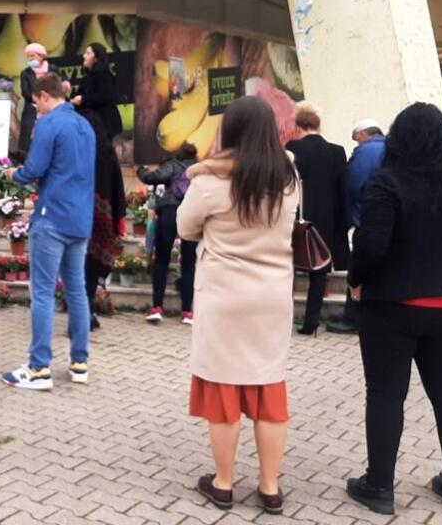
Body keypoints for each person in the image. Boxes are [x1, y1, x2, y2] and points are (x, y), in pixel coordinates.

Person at [344, 103, 442, 516]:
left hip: (394, 305)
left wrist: (355, 281)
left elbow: (370, 244)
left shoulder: (387, 183)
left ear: (398, 139)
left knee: (386, 394)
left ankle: (379, 486)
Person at [176, 96, 299, 515]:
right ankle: (270, 487)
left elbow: (185, 227)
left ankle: (224, 483)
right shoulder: (288, 178)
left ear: (228, 131)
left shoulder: (208, 180)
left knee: (224, 389)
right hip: (272, 297)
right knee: (268, 390)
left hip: (224, 297)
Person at [1, 72, 95, 391]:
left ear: (44, 96)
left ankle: (39, 368)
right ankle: (80, 363)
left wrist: (14, 174)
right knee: (76, 291)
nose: (35, 109)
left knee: (42, 292)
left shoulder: (49, 124)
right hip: (80, 219)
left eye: (35, 103)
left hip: (52, 216)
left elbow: (34, 169)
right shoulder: (85, 125)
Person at [284, 103, 351, 336]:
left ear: (298, 126)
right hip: (328, 220)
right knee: (319, 271)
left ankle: (285, 320)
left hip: (298, 216)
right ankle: (311, 323)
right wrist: (344, 221)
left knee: (290, 269)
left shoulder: (292, 148)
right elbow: (343, 189)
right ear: (318, 126)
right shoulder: (337, 151)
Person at [330, 119, 387, 335]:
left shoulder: (365, 152)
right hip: (387, 221)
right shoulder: (392, 147)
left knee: (359, 267)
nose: (357, 143)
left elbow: (353, 184)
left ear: (363, 134)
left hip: (366, 218)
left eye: (357, 139)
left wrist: (349, 214)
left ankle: (353, 318)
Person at [136, 144, 199, 325]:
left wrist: (141, 169)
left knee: (162, 260)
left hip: (169, 212)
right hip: (191, 214)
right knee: (189, 264)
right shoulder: (199, 170)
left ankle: (157, 308)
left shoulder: (172, 165)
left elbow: (152, 177)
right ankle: (187, 312)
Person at [86, 116, 127, 330]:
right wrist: (119, 217)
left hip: (81, 213)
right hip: (103, 217)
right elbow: (118, 187)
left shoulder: (79, 151)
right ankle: (88, 312)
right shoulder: (108, 154)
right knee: (93, 268)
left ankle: (83, 314)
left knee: (79, 268)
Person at [71, 42, 122, 143]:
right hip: (92, 124)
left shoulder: (104, 75)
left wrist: (83, 99)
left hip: (104, 124)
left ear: (96, 58)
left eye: (88, 53)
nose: (84, 56)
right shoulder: (89, 76)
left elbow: (106, 96)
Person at [17, 43, 49, 159]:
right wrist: (40, 100)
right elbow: (26, 93)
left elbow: (59, 87)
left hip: (50, 110)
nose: (30, 59)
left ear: (41, 56)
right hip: (32, 109)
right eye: (28, 56)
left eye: (32, 56)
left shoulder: (52, 70)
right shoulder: (25, 73)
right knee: (27, 140)